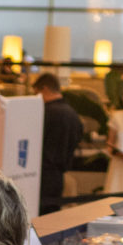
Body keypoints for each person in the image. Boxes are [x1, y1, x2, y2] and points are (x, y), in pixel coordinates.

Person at [34, 73, 83, 213]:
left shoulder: (44, 112)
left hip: (41, 175)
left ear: (44, 89)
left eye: (36, 93)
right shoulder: (72, 113)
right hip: (58, 176)